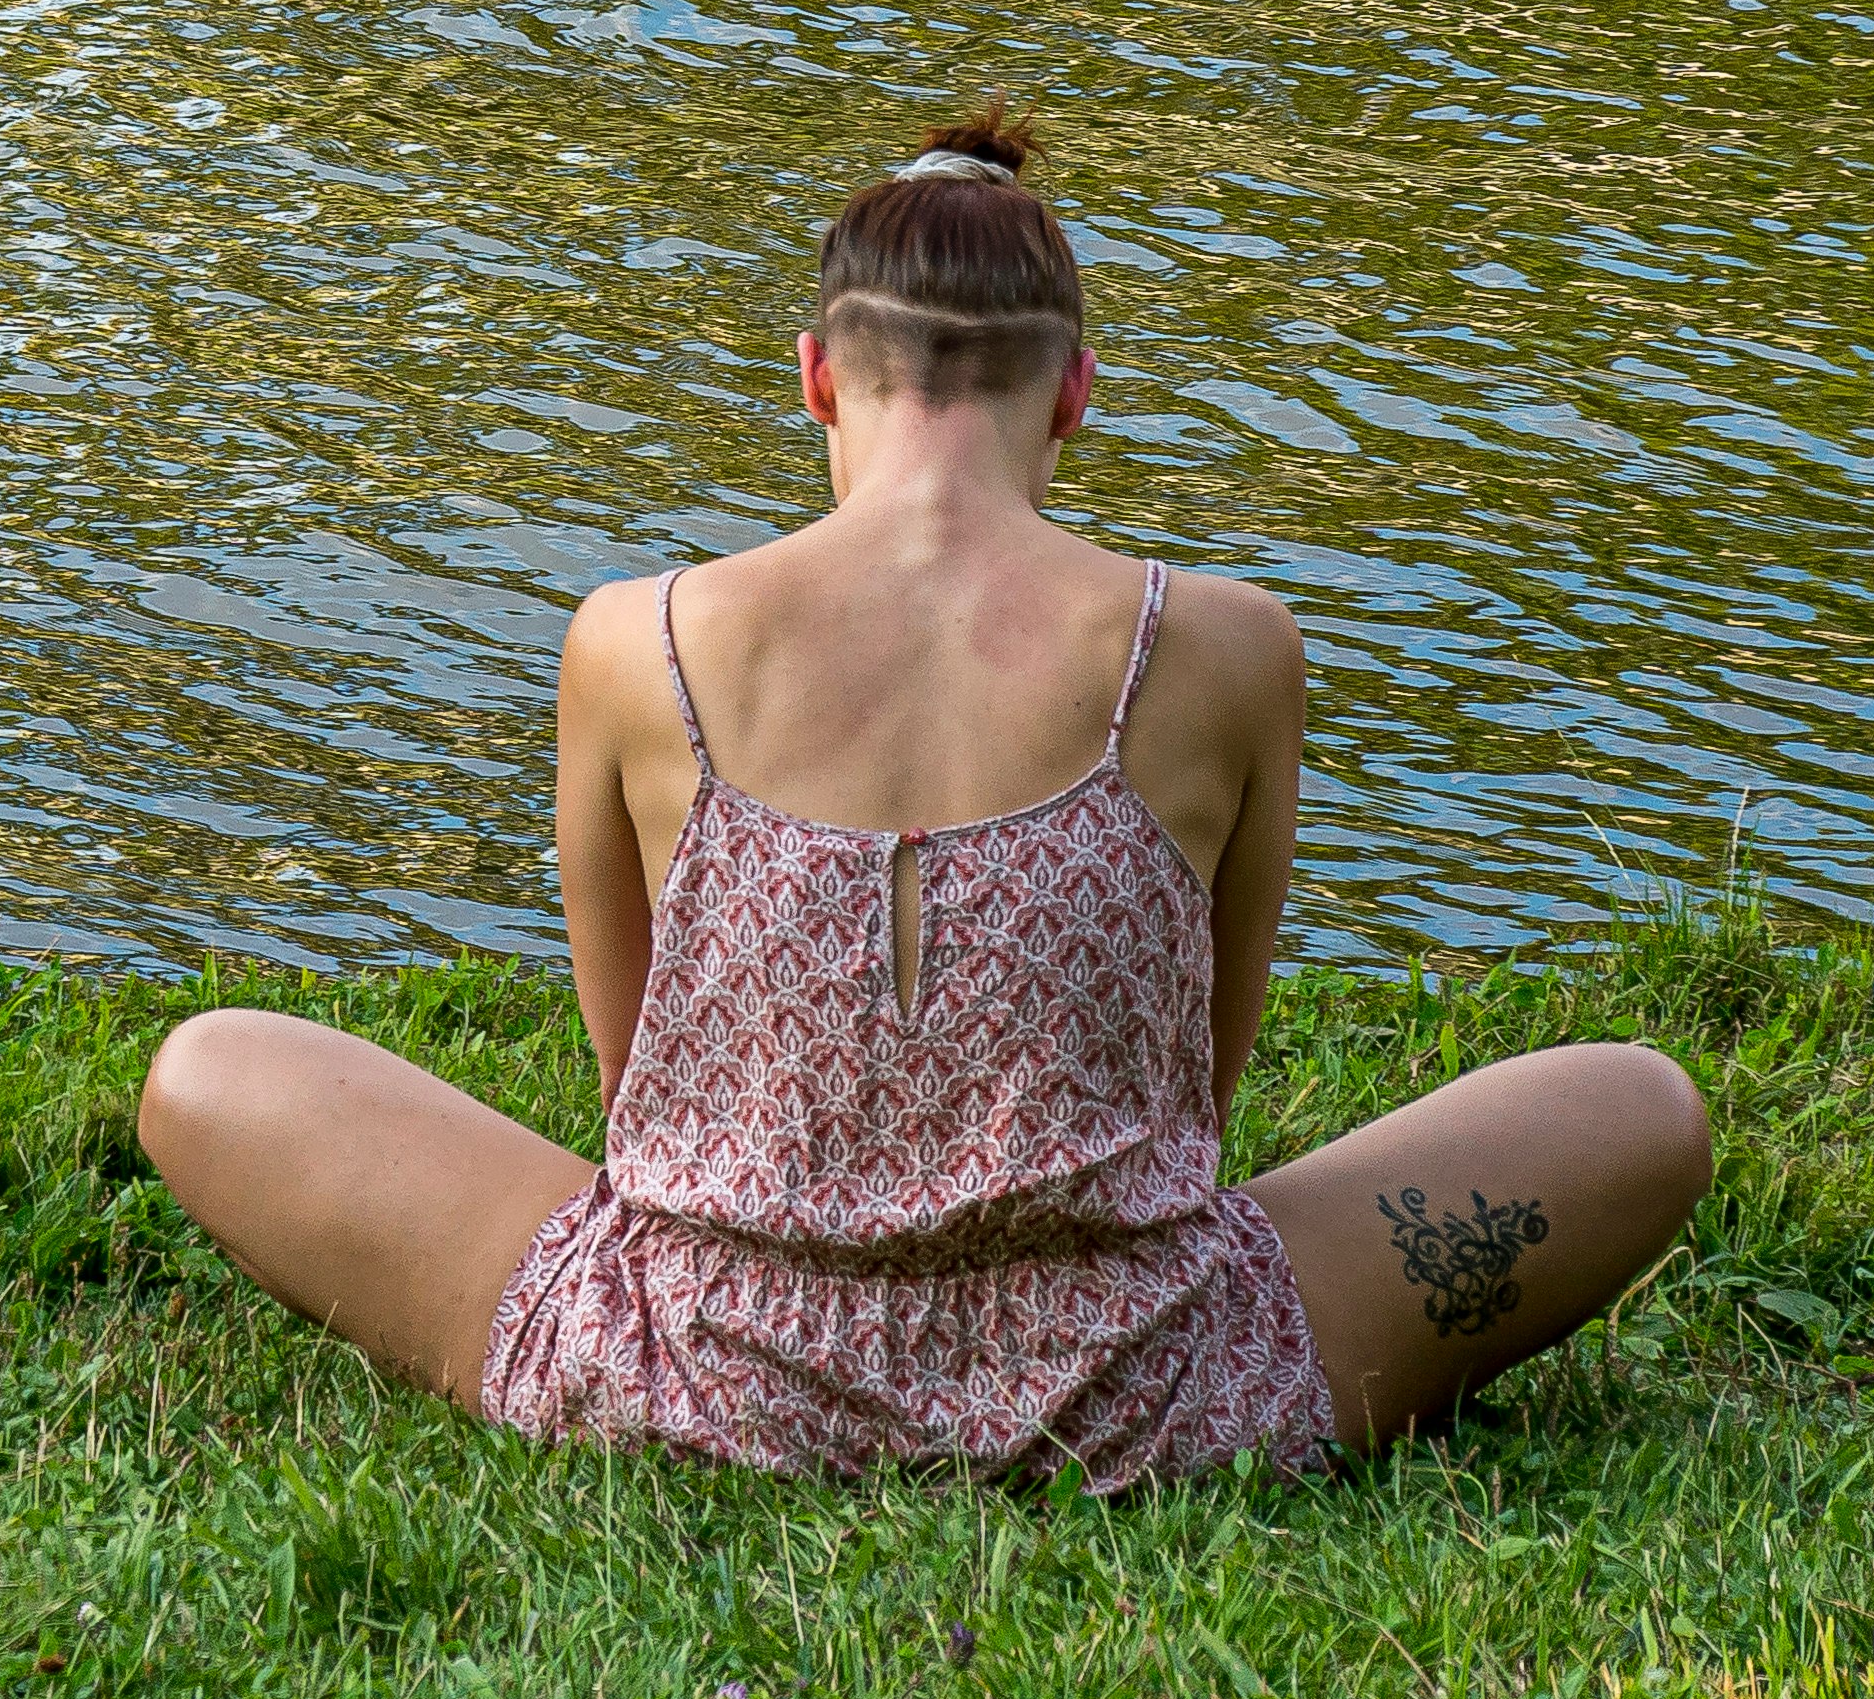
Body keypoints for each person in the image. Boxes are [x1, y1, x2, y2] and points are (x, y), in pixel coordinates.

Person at [134, 106, 1709, 1486]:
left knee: (210, 1068)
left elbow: (638, 1105)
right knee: (1640, 1106)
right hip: (1139, 1385)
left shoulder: (635, 638)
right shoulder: (1226, 645)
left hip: (689, 1364)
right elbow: (1197, 1102)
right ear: (1075, 392)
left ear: (816, 376)